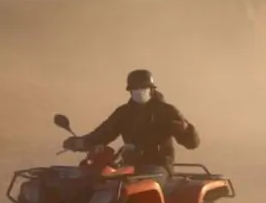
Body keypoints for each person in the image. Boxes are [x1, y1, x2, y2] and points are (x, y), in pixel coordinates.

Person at [61, 69, 199, 184]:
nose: (139, 91)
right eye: (135, 88)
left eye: (143, 88)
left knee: (137, 185)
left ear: (151, 89)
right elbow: (104, 132)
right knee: (99, 182)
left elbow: (192, 143)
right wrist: (82, 142)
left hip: (158, 167)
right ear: (130, 91)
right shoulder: (123, 112)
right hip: (129, 165)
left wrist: (186, 130)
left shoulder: (167, 111)